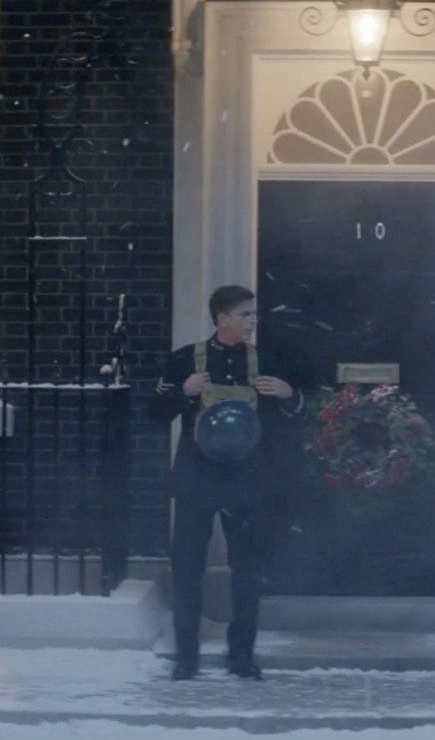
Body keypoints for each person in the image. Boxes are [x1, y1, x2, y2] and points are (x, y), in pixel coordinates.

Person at [148, 285, 304, 681]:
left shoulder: (267, 360)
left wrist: (289, 395)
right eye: (247, 314)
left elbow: (297, 415)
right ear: (223, 319)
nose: (254, 321)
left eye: (254, 314)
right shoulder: (185, 360)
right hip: (196, 481)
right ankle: (187, 659)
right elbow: (154, 413)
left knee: (248, 571)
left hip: (248, 482)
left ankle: (241, 657)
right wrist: (183, 394)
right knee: (187, 569)